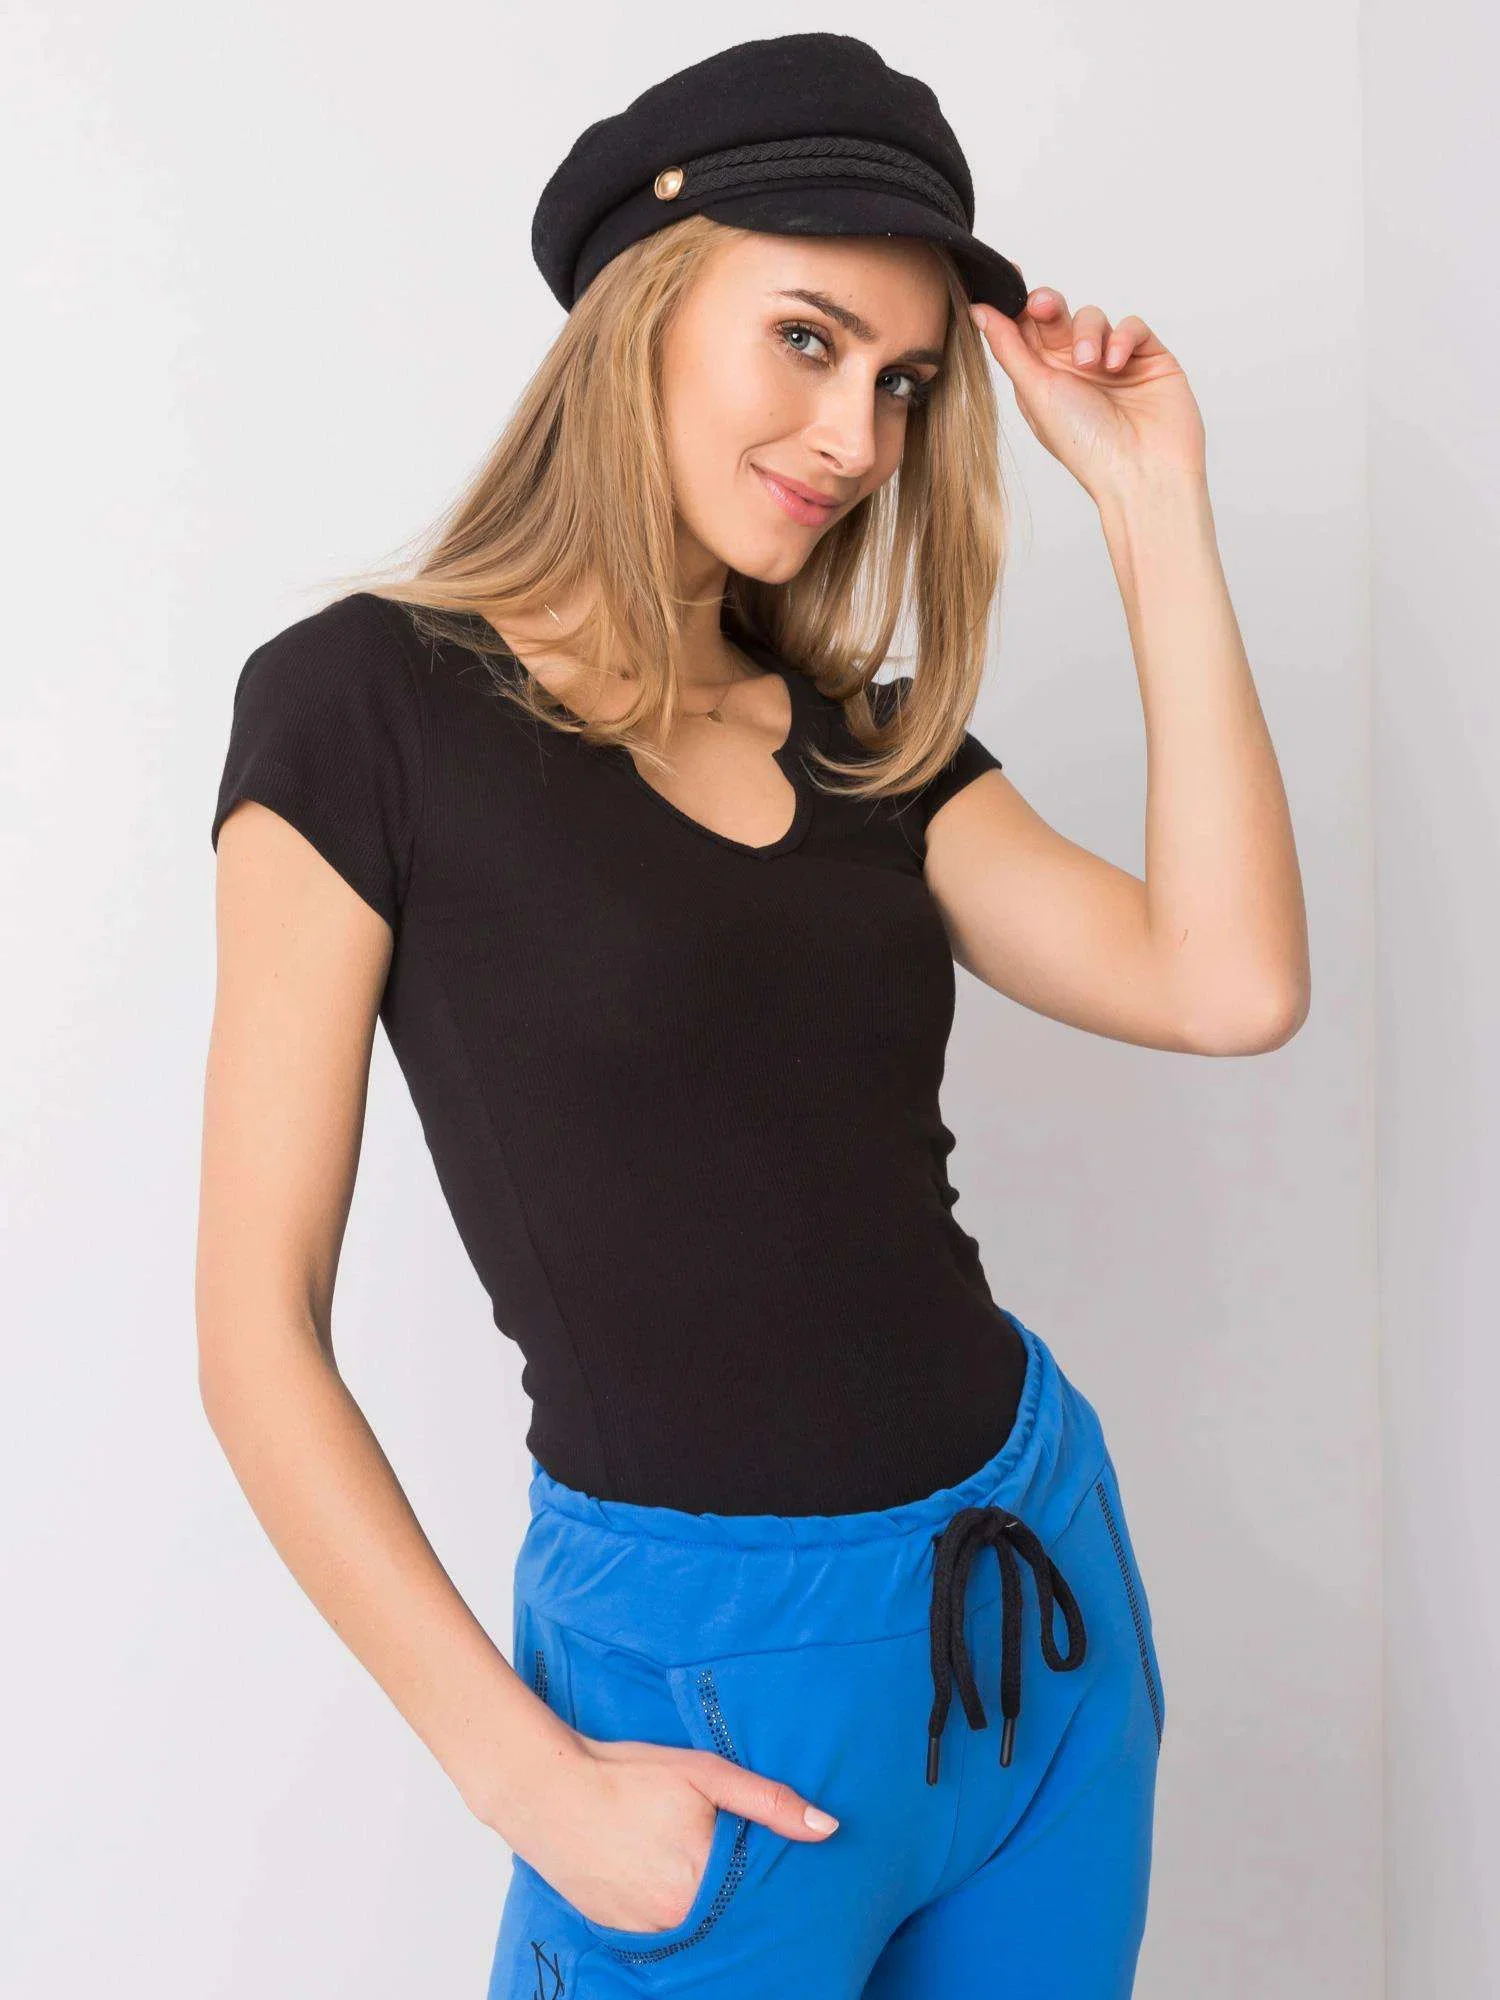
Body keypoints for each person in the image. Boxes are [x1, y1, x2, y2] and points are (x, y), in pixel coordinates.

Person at [198, 31, 1308, 1999]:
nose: (858, 436)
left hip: (1032, 1606)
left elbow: (1229, 986)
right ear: (642, 305)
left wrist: (1153, 505)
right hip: (700, 1700)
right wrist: (529, 1783)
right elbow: (253, 1329)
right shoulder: (361, 708)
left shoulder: (873, 743)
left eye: (902, 382)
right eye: (806, 340)